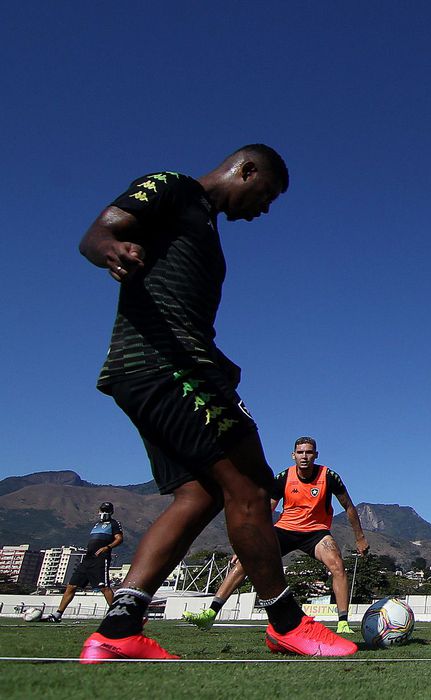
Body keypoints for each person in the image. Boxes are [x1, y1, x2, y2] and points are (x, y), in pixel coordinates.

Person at [77, 145, 354, 661]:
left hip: (145, 374)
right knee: (251, 485)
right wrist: (110, 248)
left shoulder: (204, 227)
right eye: (266, 194)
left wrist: (220, 360)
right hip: (170, 368)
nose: (263, 209)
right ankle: (287, 623)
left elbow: (179, 309)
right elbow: (98, 233)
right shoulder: (175, 187)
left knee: (199, 495)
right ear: (245, 170)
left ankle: (118, 628)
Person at [183, 436, 370, 633]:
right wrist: (247, 546)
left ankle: (343, 623)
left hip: (316, 532)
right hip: (285, 530)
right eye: (300, 452)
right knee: (246, 562)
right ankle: (210, 613)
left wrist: (360, 538)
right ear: (293, 455)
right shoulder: (284, 478)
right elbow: (265, 512)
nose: (304, 456)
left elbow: (348, 506)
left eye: (308, 452)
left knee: (337, 565)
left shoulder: (329, 476)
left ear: (316, 455)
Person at [45, 502, 123, 622]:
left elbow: (119, 539)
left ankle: (118, 616)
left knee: (104, 587)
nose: (104, 513)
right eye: (102, 510)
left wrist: (107, 547)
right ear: (99, 511)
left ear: (111, 512)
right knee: (71, 586)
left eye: (107, 511)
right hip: (87, 559)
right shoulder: (96, 524)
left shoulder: (114, 523)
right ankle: (58, 614)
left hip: (100, 559)